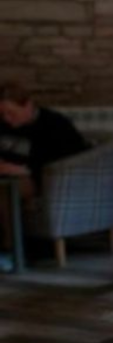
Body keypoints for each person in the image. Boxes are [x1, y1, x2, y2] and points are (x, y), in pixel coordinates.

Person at [0, 82, 90, 258]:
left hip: (38, 179)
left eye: (11, 113)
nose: (7, 119)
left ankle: (11, 252)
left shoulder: (54, 125)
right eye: (3, 114)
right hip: (5, 174)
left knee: (4, 192)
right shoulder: (3, 125)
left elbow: (66, 160)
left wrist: (22, 169)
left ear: (28, 105)